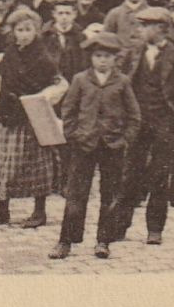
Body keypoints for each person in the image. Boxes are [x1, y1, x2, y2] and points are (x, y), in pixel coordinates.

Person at [50, 31, 142, 260]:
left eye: (107, 56)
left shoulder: (122, 82)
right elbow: (68, 110)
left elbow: (134, 116)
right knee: (76, 194)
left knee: (109, 194)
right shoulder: (81, 80)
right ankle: (66, 241)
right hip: (84, 145)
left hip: (112, 146)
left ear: (115, 59)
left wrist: (124, 139)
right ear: (91, 57)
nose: (102, 60)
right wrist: (73, 135)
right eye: (98, 55)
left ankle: (104, 240)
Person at [110, 6, 174, 245]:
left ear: (161, 29)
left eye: (145, 25)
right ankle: (120, 225)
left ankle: (155, 229)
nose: (140, 29)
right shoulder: (134, 52)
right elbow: (120, 80)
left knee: (159, 175)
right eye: (140, 25)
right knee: (129, 174)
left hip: (164, 123)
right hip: (138, 121)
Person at [0, 7, 62, 229]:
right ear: (13, 31)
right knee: (5, 164)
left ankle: (39, 211)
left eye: (29, 29)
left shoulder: (43, 56)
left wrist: (40, 97)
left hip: (33, 116)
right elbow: (2, 80)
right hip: (11, 113)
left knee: (37, 164)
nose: (24, 34)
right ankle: (2, 209)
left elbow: (55, 83)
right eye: (20, 29)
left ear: (36, 31)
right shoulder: (10, 54)